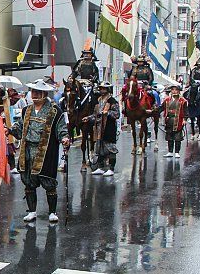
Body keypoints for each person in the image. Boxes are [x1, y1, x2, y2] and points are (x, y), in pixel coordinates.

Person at [10, 79, 70, 223]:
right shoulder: (26, 110)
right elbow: (19, 129)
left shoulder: (55, 111)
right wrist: (10, 130)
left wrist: (64, 138)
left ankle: (52, 212)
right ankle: (32, 211)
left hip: (45, 151)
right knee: (29, 183)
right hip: (28, 150)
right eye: (33, 92)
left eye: (38, 92)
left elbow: (61, 129)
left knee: (48, 181)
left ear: (44, 93)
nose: (34, 95)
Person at [84, 82, 119, 176]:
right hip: (99, 127)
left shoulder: (112, 101)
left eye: (104, 88)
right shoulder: (99, 100)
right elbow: (96, 114)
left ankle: (111, 168)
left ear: (107, 89)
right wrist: (89, 118)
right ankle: (100, 167)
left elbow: (117, 114)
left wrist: (107, 113)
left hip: (109, 127)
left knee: (110, 147)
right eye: (101, 88)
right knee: (99, 148)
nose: (102, 90)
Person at [161, 85, 187, 159]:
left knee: (177, 137)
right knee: (169, 136)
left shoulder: (183, 101)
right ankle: (170, 151)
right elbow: (161, 108)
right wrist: (153, 111)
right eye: (173, 90)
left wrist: (185, 119)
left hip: (178, 120)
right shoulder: (167, 100)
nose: (174, 91)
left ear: (179, 91)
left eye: (176, 90)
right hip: (169, 120)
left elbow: (185, 111)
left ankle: (177, 152)